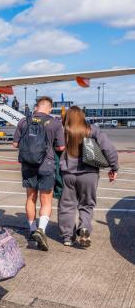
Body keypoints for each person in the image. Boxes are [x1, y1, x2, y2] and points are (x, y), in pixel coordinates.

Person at [58, 106, 118, 247]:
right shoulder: (92, 129)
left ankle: (67, 237)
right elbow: (108, 148)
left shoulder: (63, 131)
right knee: (87, 203)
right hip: (89, 173)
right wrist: (114, 167)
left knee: (67, 205)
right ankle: (84, 226)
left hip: (68, 173)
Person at [13, 96, 65, 251]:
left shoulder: (24, 121)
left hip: (28, 165)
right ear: (49, 108)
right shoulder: (55, 123)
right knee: (46, 200)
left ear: (36, 107)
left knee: (31, 197)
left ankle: (31, 229)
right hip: (46, 165)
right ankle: (41, 230)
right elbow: (61, 147)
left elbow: (15, 144)